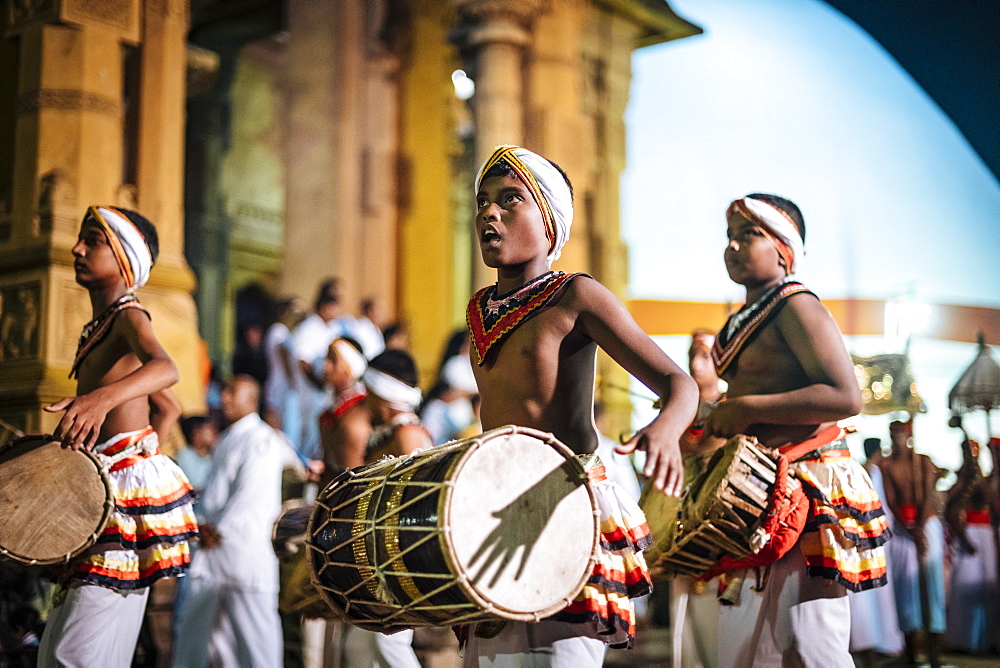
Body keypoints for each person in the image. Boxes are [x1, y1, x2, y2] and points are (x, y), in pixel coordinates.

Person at [462, 145, 698, 665]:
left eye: (509, 201)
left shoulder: (576, 295)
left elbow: (680, 384)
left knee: (557, 655)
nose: (488, 214)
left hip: (562, 500)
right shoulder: (479, 308)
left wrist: (664, 430)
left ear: (548, 223)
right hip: (494, 503)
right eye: (482, 202)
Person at [699, 194, 889, 667]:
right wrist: (710, 413)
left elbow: (846, 397)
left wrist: (743, 409)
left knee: (808, 645)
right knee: (757, 648)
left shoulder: (795, 304)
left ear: (785, 249)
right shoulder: (751, 316)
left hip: (807, 487)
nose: (734, 246)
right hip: (767, 491)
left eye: (749, 235)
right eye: (730, 237)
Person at [38, 206, 198, 668]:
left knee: (73, 653)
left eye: (93, 240)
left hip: (120, 493)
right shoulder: (100, 324)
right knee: (76, 649)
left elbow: (166, 371)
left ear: (126, 259)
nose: (77, 248)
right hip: (112, 479)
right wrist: (142, 444)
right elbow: (166, 407)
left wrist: (102, 402)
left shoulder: (128, 311)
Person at [171, 376, 287, 668]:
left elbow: (251, 497)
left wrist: (216, 530)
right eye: (223, 391)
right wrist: (202, 524)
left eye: (232, 392)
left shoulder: (261, 439)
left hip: (243, 552)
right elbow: (214, 493)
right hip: (213, 552)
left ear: (252, 400)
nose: (224, 398)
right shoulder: (228, 438)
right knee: (206, 643)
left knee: (257, 644)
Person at [669, 330, 722, 668]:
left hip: (721, 525)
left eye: (704, 356)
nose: (694, 364)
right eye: (692, 355)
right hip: (680, 520)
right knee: (685, 623)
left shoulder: (732, 407)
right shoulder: (678, 409)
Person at [881, 419, 946, 666]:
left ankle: (935, 654)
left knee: (931, 588)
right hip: (903, 532)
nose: (897, 436)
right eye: (893, 431)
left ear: (908, 433)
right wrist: (909, 529)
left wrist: (919, 528)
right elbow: (890, 499)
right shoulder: (887, 465)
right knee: (905, 591)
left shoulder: (923, 461)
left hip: (926, 526)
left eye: (900, 431)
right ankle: (910, 653)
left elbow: (928, 493)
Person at [848, 437, 905, 665]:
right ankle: (875, 646)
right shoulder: (874, 470)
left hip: (873, 537)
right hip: (875, 539)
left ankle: (878, 644)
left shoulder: (865, 469)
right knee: (876, 593)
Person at [943, 431, 999, 654]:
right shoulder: (960, 483)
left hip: (986, 536)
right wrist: (963, 536)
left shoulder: (985, 480)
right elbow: (951, 510)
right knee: (965, 587)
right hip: (968, 535)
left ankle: (989, 639)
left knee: (988, 589)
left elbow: (988, 503)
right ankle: (964, 640)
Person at [317, 337, 371, 484]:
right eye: (326, 359)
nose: (325, 366)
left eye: (333, 361)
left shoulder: (360, 409)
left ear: (349, 368)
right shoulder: (331, 409)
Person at [263, 296, 304, 431]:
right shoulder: (278, 330)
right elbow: (284, 356)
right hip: (281, 382)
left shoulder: (285, 331)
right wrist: (292, 380)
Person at [176, 415, 217, 494]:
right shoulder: (185, 457)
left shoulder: (212, 455)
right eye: (209, 429)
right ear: (196, 434)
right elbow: (198, 485)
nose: (214, 433)